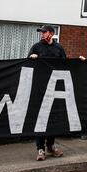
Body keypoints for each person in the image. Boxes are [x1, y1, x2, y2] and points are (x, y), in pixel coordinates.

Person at [28, 25, 66, 160]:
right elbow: (27, 66)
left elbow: (65, 66)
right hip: (40, 88)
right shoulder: (36, 47)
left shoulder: (59, 48)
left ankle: (50, 147)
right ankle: (40, 149)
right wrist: (31, 58)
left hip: (54, 89)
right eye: (41, 32)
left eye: (44, 32)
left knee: (53, 118)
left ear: (51, 33)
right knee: (41, 118)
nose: (42, 34)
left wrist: (80, 62)